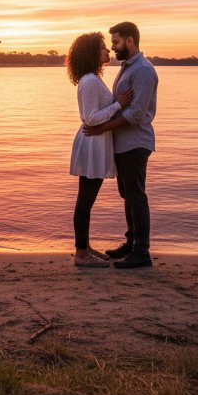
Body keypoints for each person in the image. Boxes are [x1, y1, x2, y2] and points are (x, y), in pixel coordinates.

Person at [83, 22, 157, 269]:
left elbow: (136, 114)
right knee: (127, 195)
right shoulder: (127, 69)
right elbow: (118, 104)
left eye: (115, 42)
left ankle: (141, 251)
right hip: (122, 144)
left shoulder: (143, 71)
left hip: (136, 143)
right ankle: (131, 243)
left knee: (136, 196)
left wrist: (100, 129)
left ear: (130, 41)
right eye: (111, 43)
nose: (113, 47)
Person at [67, 32, 133, 267]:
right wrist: (119, 105)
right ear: (92, 53)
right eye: (103, 48)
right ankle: (81, 254)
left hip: (96, 142)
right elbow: (90, 118)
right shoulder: (89, 81)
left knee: (86, 199)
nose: (107, 51)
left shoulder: (92, 79)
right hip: (92, 143)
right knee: (85, 200)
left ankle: (84, 247)